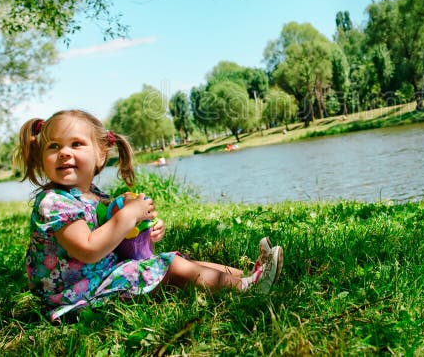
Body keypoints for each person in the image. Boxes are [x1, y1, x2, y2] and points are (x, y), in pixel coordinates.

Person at [14, 109, 283, 322]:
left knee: (178, 260)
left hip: (99, 278)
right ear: (41, 157)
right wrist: (127, 216)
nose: (64, 153)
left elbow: (118, 242)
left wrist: (146, 232)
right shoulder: (53, 203)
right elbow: (88, 249)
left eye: (76, 144)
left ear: (100, 156)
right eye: (53, 147)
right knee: (172, 268)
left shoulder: (92, 195)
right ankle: (247, 288)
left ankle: (249, 276)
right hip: (75, 297)